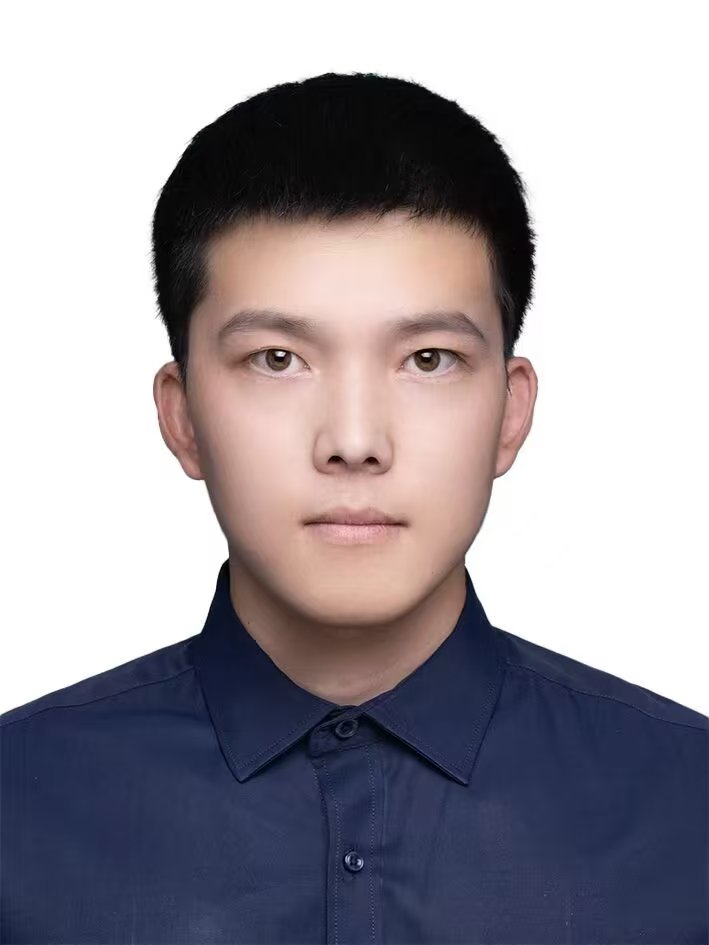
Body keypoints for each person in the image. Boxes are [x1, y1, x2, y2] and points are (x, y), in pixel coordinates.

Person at [1, 70, 706, 945]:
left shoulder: (687, 805)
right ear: (182, 418)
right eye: (277, 359)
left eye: (428, 359)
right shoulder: (19, 805)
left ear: (509, 412)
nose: (354, 439)